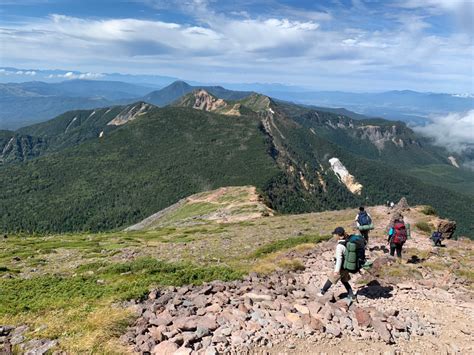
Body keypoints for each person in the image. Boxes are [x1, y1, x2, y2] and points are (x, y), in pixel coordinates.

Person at [318, 227, 356, 305]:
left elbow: (339, 259)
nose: (334, 236)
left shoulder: (339, 246)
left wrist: (336, 271)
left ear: (338, 235)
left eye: (335, 234)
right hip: (346, 266)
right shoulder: (347, 241)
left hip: (341, 267)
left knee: (331, 279)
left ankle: (322, 292)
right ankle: (351, 295)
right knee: (344, 281)